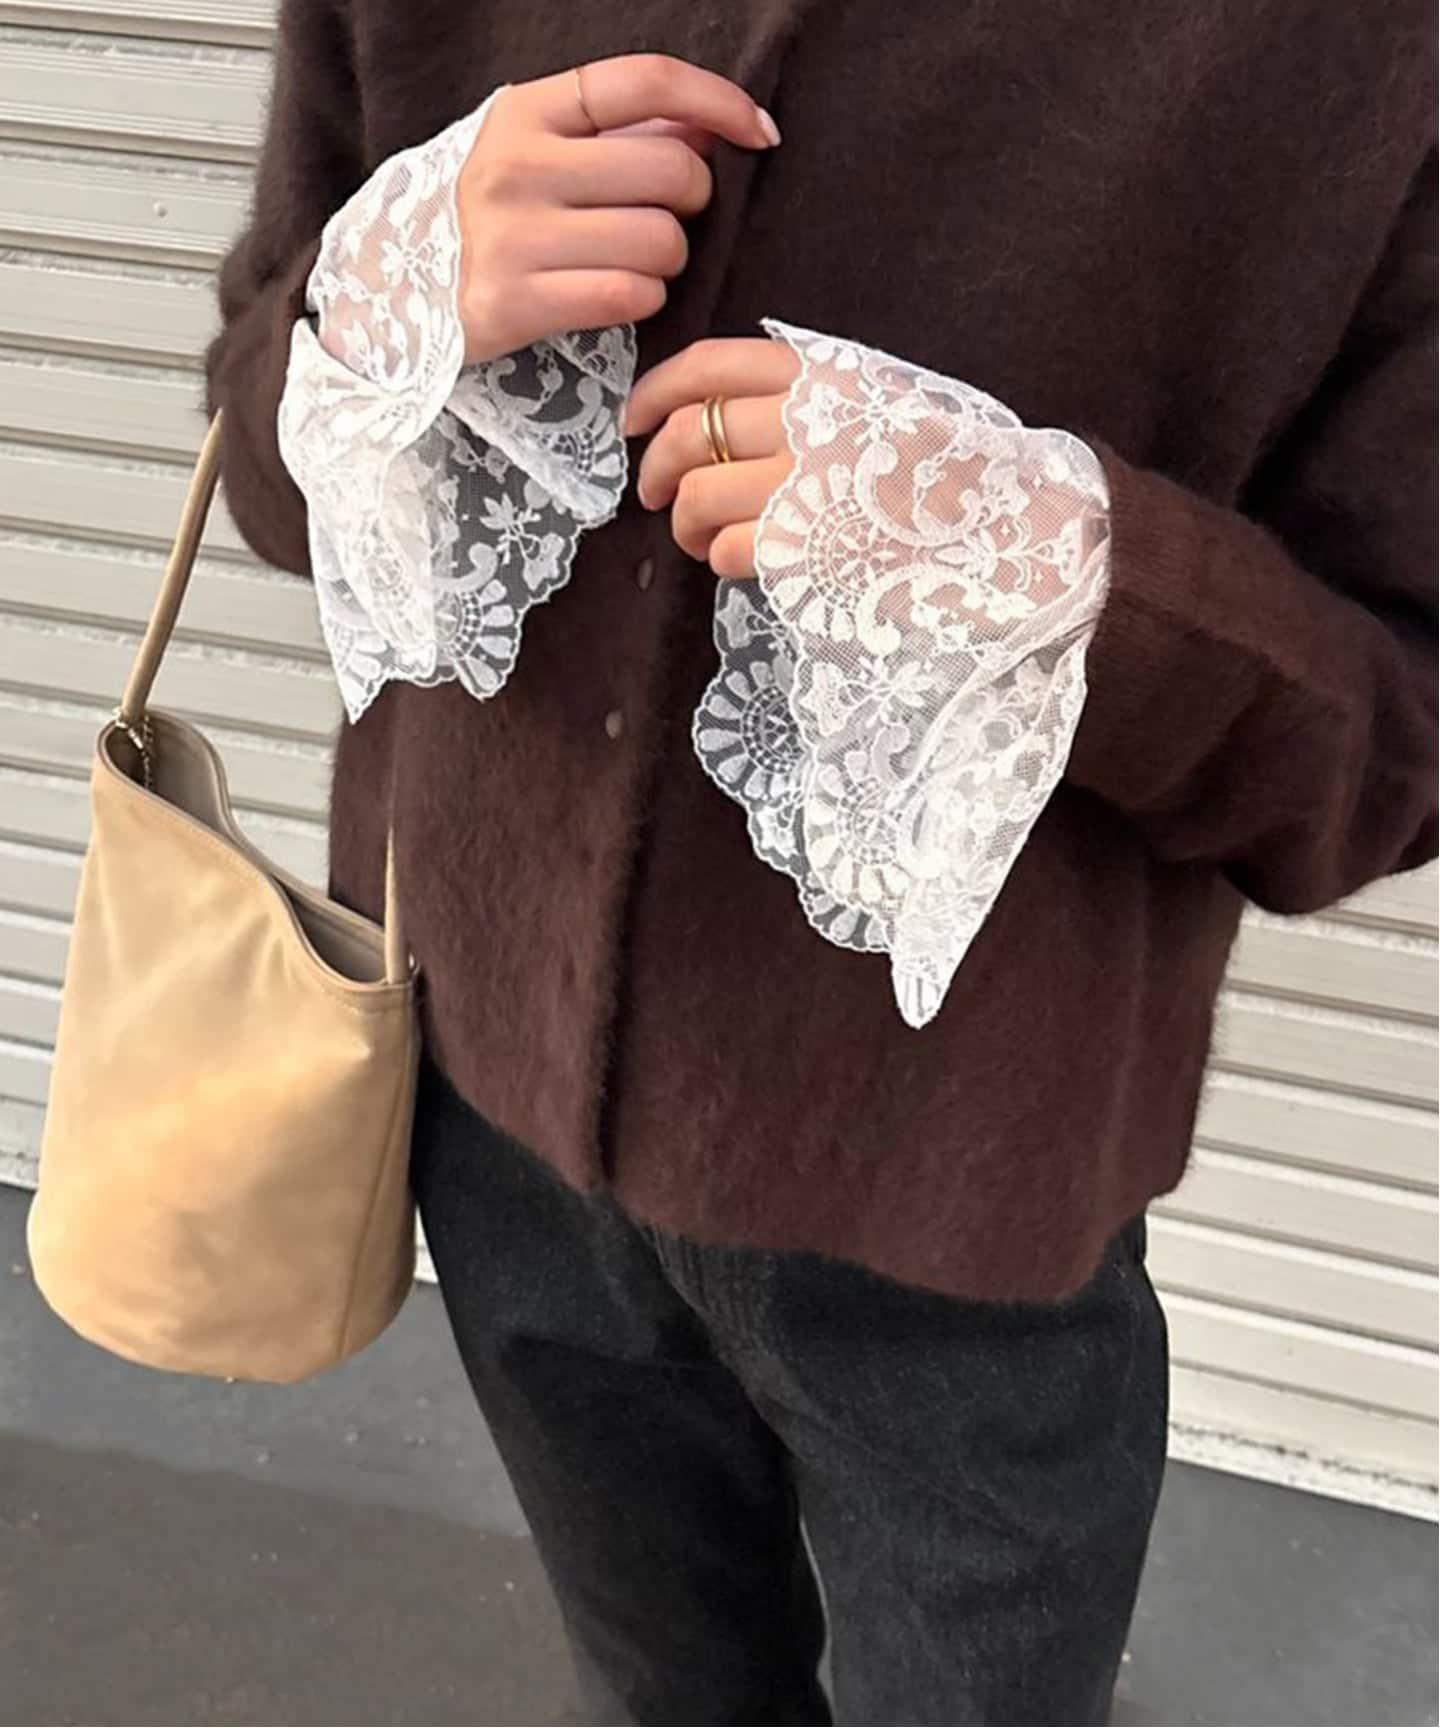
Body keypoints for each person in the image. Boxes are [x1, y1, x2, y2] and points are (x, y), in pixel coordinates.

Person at [205, 6, 1438, 1722]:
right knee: (657, 1697)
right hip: (490, 1109)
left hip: (965, 1198)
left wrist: (1062, 577)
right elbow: (263, 440)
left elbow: (1394, 747)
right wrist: (386, 307)